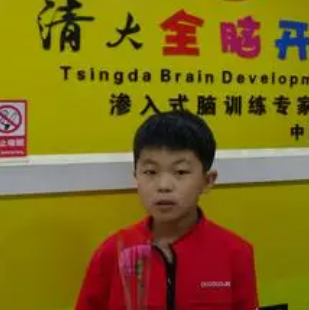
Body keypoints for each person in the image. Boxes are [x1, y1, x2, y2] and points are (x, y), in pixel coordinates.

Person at [75, 110, 259, 310]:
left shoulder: (235, 253)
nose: (163, 185)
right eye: (150, 172)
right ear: (136, 177)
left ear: (207, 181)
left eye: (180, 172)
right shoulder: (113, 252)